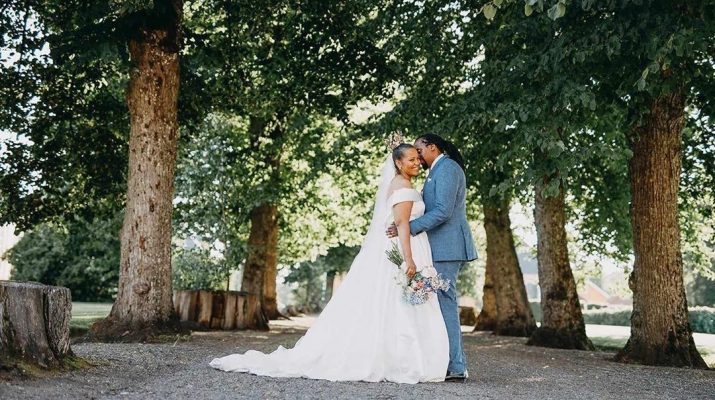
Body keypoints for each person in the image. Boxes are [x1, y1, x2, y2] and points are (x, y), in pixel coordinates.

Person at [209, 141, 449, 384]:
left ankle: (397, 357)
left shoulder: (400, 183)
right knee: (396, 301)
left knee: (392, 302)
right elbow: (401, 224)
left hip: (402, 246)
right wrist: (409, 259)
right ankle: (402, 360)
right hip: (402, 249)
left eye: (417, 158)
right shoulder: (403, 186)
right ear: (398, 162)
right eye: (411, 159)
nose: (417, 162)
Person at [387, 133, 478, 381]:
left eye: (419, 151)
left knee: (445, 302)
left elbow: (443, 211)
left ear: (432, 147)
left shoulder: (447, 168)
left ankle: (456, 366)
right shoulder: (436, 170)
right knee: (437, 304)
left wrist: (410, 227)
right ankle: (441, 361)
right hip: (438, 247)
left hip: (448, 247)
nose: (417, 157)